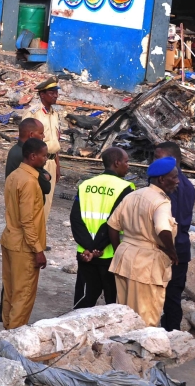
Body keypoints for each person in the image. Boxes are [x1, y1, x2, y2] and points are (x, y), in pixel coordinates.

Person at [106, 157, 180, 326]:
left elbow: (112, 225)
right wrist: (171, 251)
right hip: (147, 264)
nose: (177, 182)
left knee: (123, 315)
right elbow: (163, 228)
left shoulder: (133, 195)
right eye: (174, 177)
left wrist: (119, 249)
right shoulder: (161, 202)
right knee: (146, 318)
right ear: (161, 179)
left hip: (125, 258)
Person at [0, 117, 50, 322]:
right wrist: (38, 250)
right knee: (23, 295)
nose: (46, 160)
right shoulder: (29, 181)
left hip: (10, 239)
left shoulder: (14, 176)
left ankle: (7, 334)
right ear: (33, 156)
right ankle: (14, 341)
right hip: (24, 246)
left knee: (10, 292)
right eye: (44, 157)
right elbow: (27, 220)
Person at [70, 147, 134, 309]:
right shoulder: (126, 188)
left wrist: (89, 248)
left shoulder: (86, 185)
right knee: (113, 303)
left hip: (85, 253)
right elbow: (114, 222)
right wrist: (97, 248)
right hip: (110, 254)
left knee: (84, 301)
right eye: (126, 162)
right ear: (116, 163)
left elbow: (75, 219)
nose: (128, 165)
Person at [153, 142, 195, 331]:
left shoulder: (170, 185)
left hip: (168, 248)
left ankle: (164, 334)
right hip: (180, 247)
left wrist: (167, 248)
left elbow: (168, 223)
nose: (153, 161)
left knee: (161, 295)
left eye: (157, 157)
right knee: (173, 297)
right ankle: (172, 333)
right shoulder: (187, 185)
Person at [27, 77, 61, 225]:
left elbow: (56, 141)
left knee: (47, 201)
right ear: (42, 94)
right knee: (35, 200)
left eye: (56, 92)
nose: (55, 95)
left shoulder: (55, 114)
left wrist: (58, 166)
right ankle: (32, 237)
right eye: (51, 92)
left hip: (51, 161)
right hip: (38, 162)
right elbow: (26, 141)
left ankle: (40, 237)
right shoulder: (34, 113)